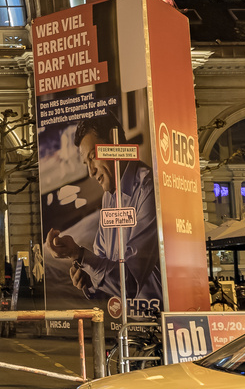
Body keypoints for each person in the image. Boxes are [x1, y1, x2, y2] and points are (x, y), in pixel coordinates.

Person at [44, 113, 161, 308]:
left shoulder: (147, 189)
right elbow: (104, 263)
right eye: (86, 163)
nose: (91, 172)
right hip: (126, 321)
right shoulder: (109, 197)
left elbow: (130, 282)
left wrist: (80, 255)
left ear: (115, 146)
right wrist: (88, 277)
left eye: (93, 157)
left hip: (156, 323)